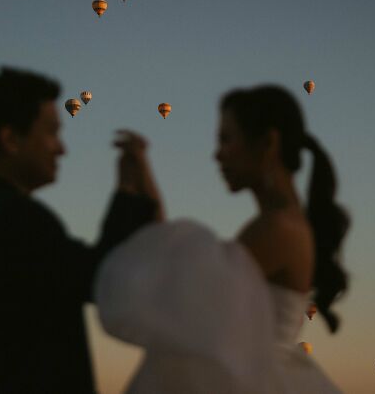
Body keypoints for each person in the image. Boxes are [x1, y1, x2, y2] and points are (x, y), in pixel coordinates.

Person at [95, 85, 349, 393]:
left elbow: (182, 292)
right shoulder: (283, 224)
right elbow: (187, 282)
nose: (217, 154)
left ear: (267, 143)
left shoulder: (278, 228)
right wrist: (144, 176)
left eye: (226, 139)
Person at [0, 68, 162, 394]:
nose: (62, 149)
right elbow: (102, 276)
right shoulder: (16, 219)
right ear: (11, 139)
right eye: (52, 133)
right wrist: (129, 193)